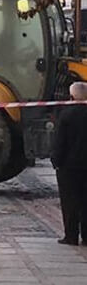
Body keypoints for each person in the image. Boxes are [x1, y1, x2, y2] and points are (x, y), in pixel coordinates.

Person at [51, 82, 87, 246]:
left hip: (69, 166)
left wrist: (56, 160)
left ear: (71, 97)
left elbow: (60, 141)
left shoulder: (66, 115)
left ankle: (71, 236)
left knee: (70, 201)